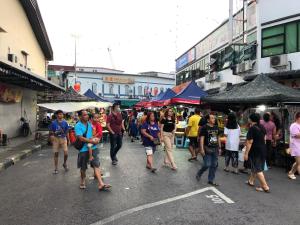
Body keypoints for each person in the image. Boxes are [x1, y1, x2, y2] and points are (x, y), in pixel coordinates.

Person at [75, 110, 111, 191]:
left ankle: (101, 184)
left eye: (87, 115)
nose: (87, 116)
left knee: (96, 165)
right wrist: (91, 141)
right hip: (83, 149)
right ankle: (83, 180)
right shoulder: (78, 126)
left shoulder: (90, 124)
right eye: (84, 115)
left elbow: (93, 134)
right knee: (83, 168)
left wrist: (96, 139)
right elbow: (80, 138)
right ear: (80, 116)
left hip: (93, 148)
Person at [244, 113, 270, 193]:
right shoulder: (262, 127)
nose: (248, 119)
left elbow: (250, 142)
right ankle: (251, 181)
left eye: (249, 118)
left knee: (258, 169)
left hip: (255, 150)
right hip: (263, 149)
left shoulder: (252, 128)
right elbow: (265, 138)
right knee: (256, 166)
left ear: (251, 120)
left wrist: (246, 153)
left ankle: (265, 186)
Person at [196, 114, 221, 186]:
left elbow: (218, 137)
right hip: (207, 149)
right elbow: (202, 138)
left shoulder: (216, 127)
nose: (214, 119)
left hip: (215, 148)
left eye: (214, 118)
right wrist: (202, 149)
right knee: (207, 164)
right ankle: (199, 173)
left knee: (214, 165)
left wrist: (219, 148)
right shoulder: (204, 127)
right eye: (212, 118)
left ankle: (211, 180)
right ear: (208, 120)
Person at [49, 110, 70, 174]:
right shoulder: (53, 123)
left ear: (63, 115)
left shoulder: (65, 122)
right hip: (56, 139)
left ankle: (64, 163)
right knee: (56, 154)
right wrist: (53, 134)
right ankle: (56, 168)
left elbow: (67, 132)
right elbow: (50, 131)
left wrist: (68, 140)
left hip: (63, 138)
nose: (60, 115)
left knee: (66, 153)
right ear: (56, 115)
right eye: (59, 114)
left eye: (61, 114)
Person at [288, 112, 300, 180]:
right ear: (298, 118)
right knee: (299, 163)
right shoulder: (294, 125)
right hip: (296, 146)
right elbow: (297, 135)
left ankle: (291, 172)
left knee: (298, 162)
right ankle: (291, 172)